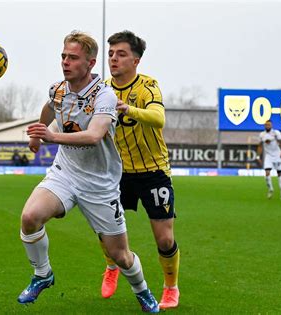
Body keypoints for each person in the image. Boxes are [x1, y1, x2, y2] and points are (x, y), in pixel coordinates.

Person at [17, 31, 159, 313]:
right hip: (65, 174)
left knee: (121, 256)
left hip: (100, 184)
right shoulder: (57, 89)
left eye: (73, 58)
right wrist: (36, 135)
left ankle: (142, 291)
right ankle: (43, 274)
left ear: (90, 63)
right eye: (63, 56)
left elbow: (94, 135)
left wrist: (51, 137)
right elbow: (49, 108)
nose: (65, 63)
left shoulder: (104, 96)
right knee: (30, 217)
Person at [98, 30, 180, 310]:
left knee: (165, 237)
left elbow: (158, 119)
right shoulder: (102, 89)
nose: (113, 59)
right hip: (116, 173)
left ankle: (171, 288)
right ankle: (111, 267)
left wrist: (128, 109)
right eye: (111, 54)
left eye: (120, 54)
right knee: (106, 229)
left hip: (153, 170)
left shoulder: (148, 86)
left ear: (136, 60)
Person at [256, 120, 281, 200]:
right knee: (267, 173)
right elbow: (260, 146)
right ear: (264, 126)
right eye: (266, 125)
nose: (267, 126)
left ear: (271, 125)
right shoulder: (262, 135)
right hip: (268, 156)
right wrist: (258, 156)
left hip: (277, 155)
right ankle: (270, 189)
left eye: (269, 125)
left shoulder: (276, 133)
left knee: (279, 173)